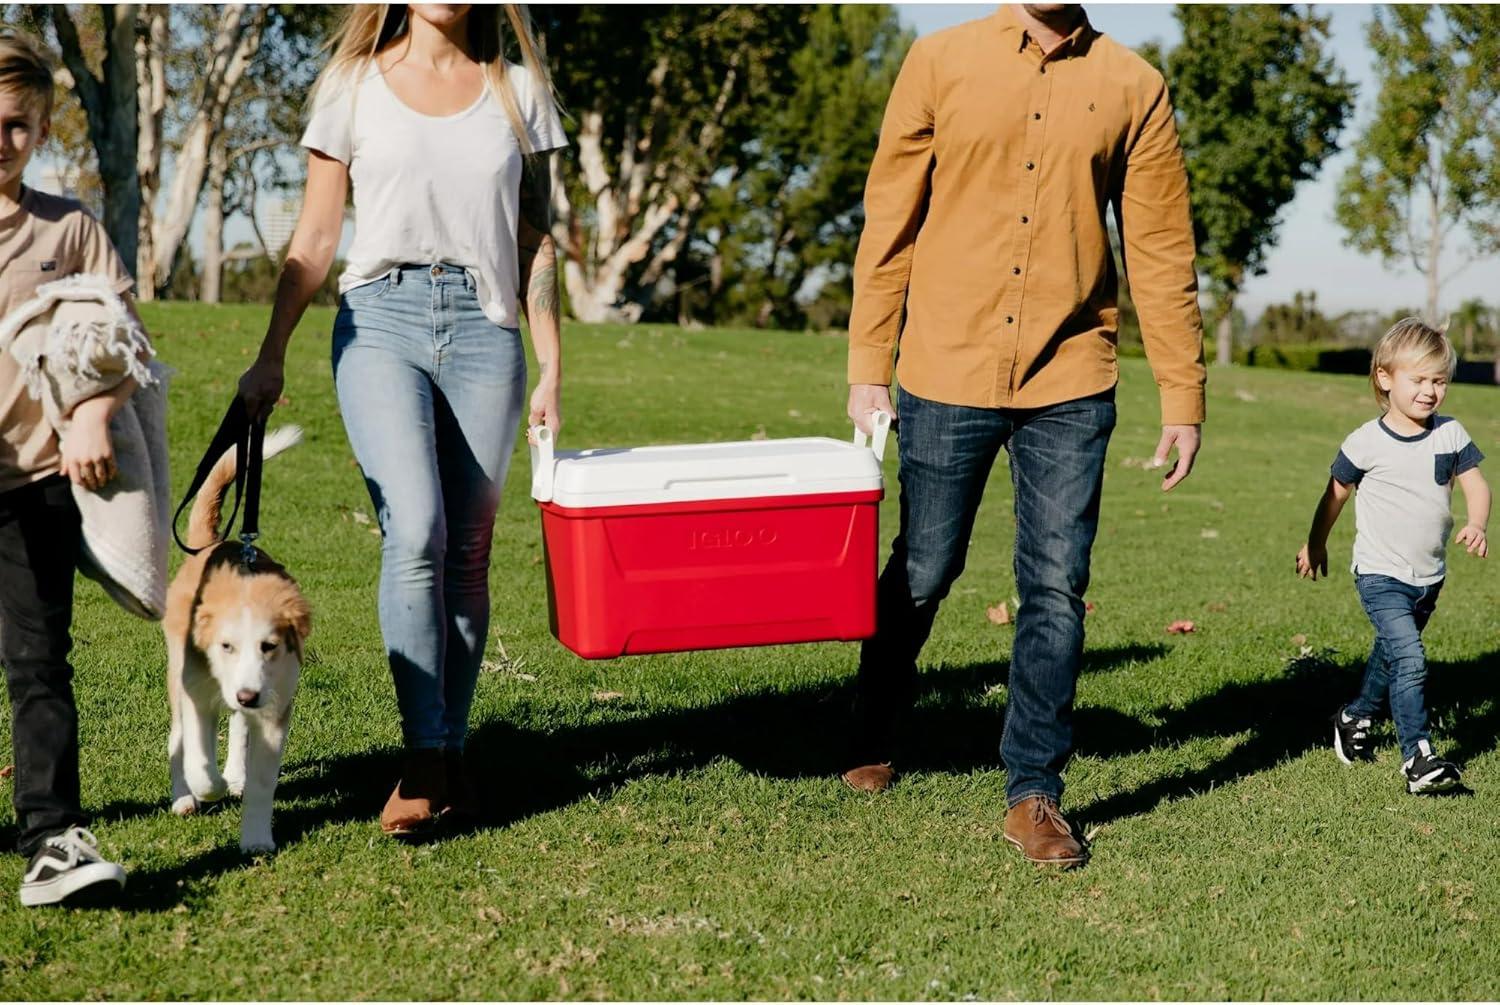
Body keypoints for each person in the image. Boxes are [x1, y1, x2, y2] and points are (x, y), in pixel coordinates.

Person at [844, 4, 1207, 868]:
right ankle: (873, 718)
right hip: (945, 365)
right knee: (926, 564)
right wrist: (868, 361)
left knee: (1055, 583)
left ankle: (1034, 790)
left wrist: (1184, 393)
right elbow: (888, 220)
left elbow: (1160, 248)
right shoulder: (939, 60)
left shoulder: (1136, 86)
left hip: (1072, 377)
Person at [237, 3, 566, 837]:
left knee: (470, 547)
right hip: (381, 317)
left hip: (487, 330)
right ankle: (423, 755)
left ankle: (449, 754)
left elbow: (536, 239)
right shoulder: (352, 87)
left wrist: (551, 362)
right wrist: (272, 349)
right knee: (415, 525)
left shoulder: (521, 92)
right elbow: (315, 235)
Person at [0, 29, 141, 905]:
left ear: (43, 127)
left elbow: (125, 345)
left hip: (34, 483)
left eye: (16, 124)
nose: (0, 140)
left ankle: (52, 836)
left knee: (39, 659)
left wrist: (92, 411)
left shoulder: (72, 230)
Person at [1296, 319, 1488, 794]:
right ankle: (1418, 759)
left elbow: (1477, 485)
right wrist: (1316, 542)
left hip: (1429, 576)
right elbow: (1335, 496)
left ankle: (1354, 716)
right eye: (1418, 380)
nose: (1430, 392)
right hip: (1380, 573)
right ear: (1385, 378)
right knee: (1411, 658)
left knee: (1392, 656)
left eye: (1439, 381)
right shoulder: (1366, 441)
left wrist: (1476, 522)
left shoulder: (1450, 433)